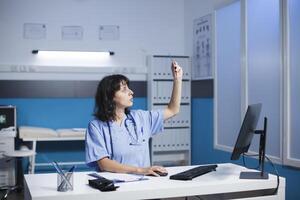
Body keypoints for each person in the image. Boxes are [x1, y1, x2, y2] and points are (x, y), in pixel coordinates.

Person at [85, 61, 183, 176]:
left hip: (144, 182)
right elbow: (104, 164)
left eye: (129, 88)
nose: (131, 92)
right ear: (110, 96)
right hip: (115, 186)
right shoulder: (96, 126)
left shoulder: (141, 118)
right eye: (124, 89)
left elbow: (173, 110)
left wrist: (177, 80)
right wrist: (140, 170)